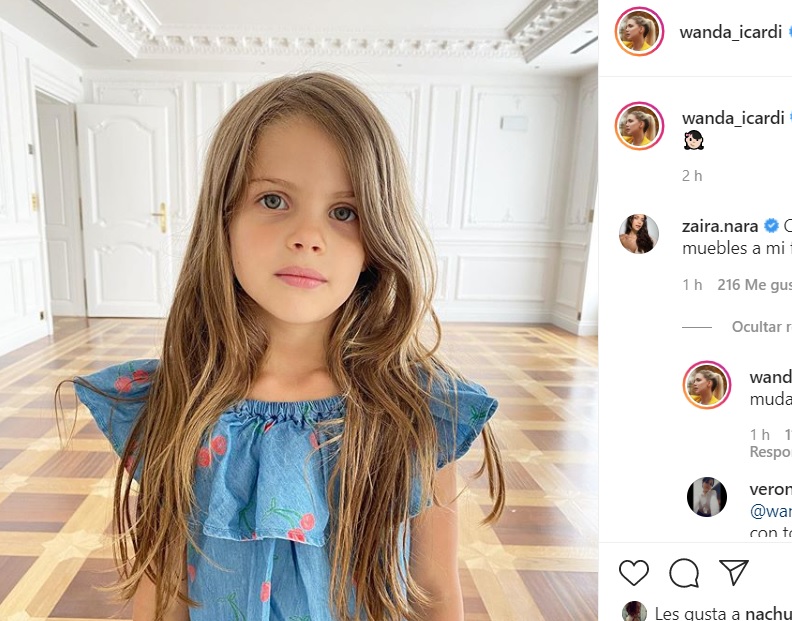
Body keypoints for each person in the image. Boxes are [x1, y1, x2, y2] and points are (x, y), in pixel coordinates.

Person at [61, 73, 505, 621]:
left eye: (344, 212)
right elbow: (163, 589)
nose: (307, 237)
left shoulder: (415, 408)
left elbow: (435, 589)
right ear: (224, 218)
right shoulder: (179, 399)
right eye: (273, 199)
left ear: (375, 239)